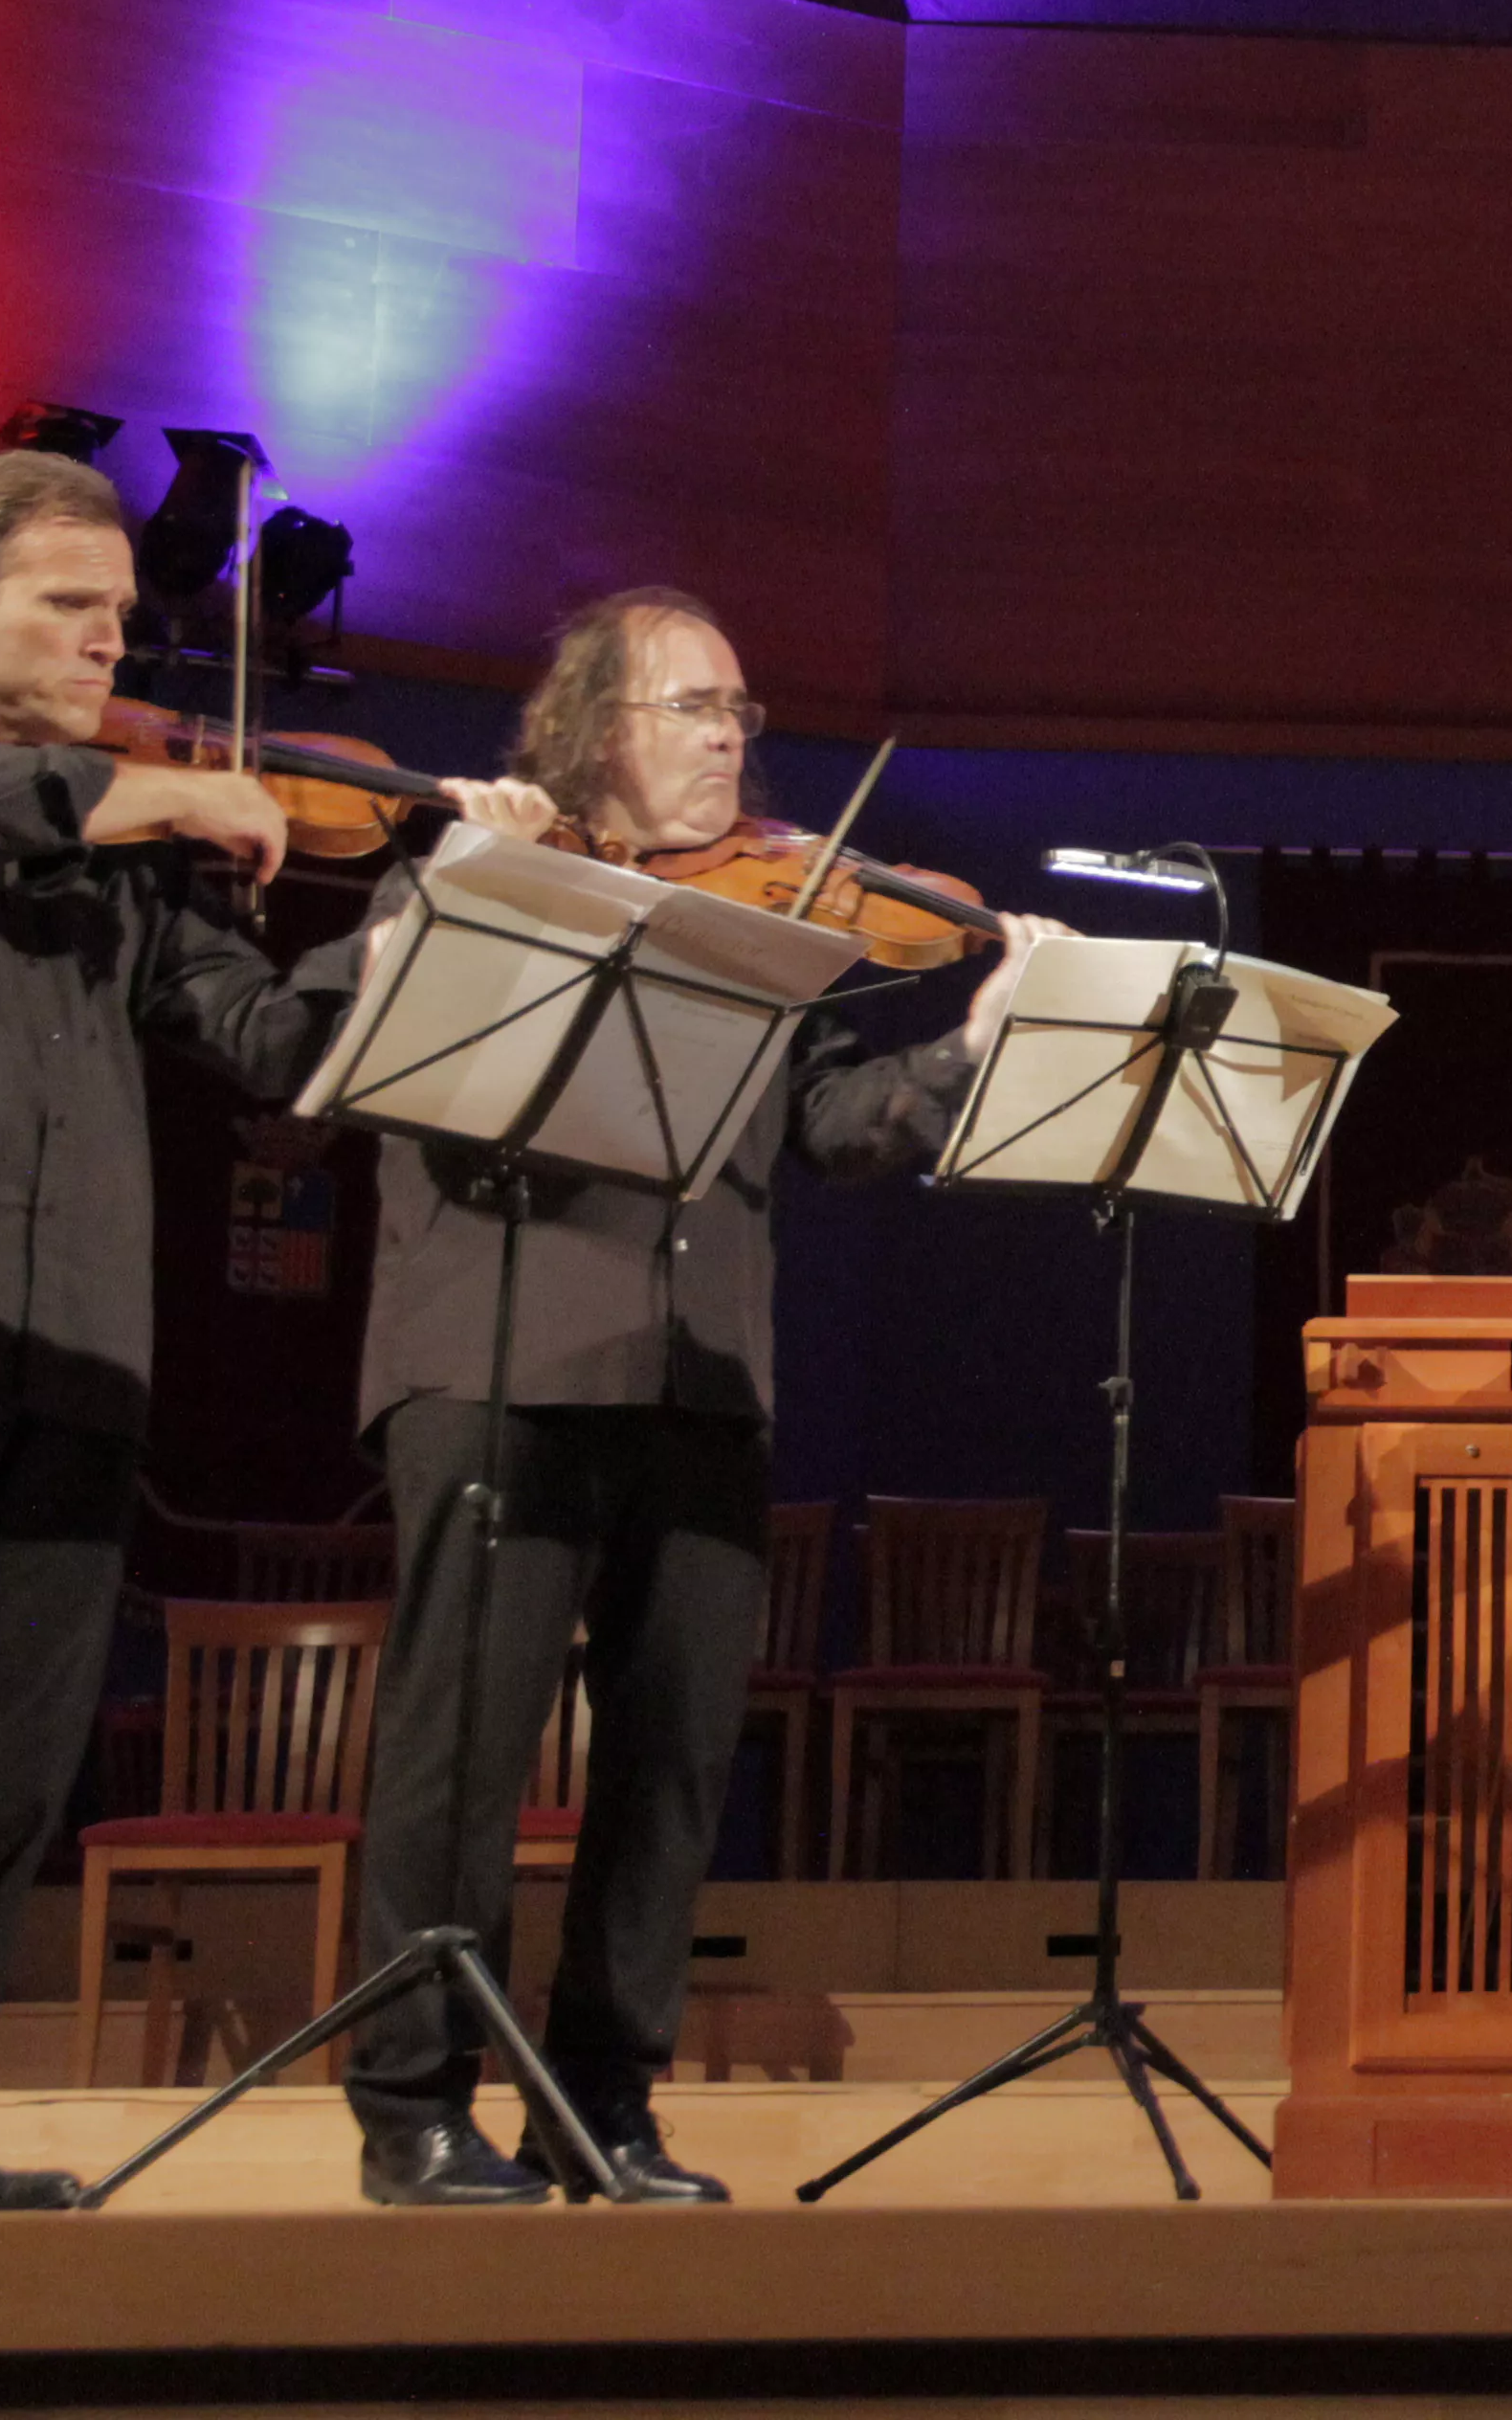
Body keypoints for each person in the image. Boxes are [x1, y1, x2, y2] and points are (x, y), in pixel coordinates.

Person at [0, 451, 519, 2214]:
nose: (111, 643)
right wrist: (128, 800)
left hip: (82, 1347)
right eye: (74, 608)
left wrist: (438, 905)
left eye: (123, 614)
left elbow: (269, 1041)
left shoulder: (120, 830)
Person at [326, 590, 1059, 2207]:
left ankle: (607, 2103)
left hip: (703, 1374)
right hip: (501, 1359)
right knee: (462, 1755)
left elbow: (834, 1121)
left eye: (742, 711)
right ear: (598, 728)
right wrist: (462, 892)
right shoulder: (477, 880)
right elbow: (352, 1029)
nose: (733, 737)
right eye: (694, 708)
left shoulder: (762, 919)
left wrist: (975, 1048)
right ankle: (416, 2108)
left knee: (671, 1767)